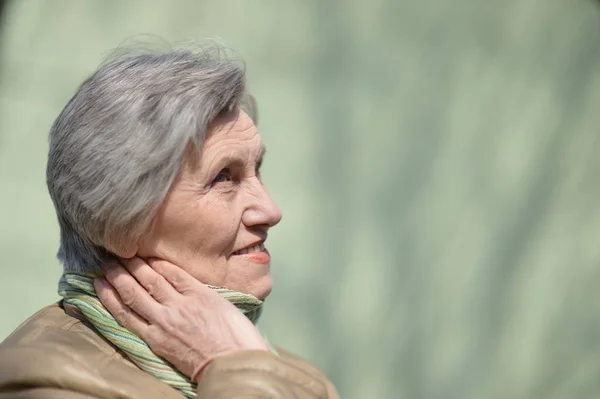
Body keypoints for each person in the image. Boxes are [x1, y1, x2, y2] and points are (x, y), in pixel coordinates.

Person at [0, 44, 339, 399]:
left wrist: (236, 364)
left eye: (258, 170)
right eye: (224, 177)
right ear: (120, 221)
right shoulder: (44, 379)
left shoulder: (296, 377)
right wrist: (236, 368)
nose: (270, 211)